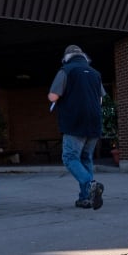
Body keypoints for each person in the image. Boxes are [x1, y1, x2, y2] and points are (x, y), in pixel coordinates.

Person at [48, 45, 105, 210]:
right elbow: (100, 100)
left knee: (70, 157)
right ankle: (86, 198)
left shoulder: (66, 70)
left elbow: (53, 96)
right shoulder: (95, 73)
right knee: (86, 158)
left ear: (67, 57)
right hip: (94, 122)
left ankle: (90, 185)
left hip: (74, 121)